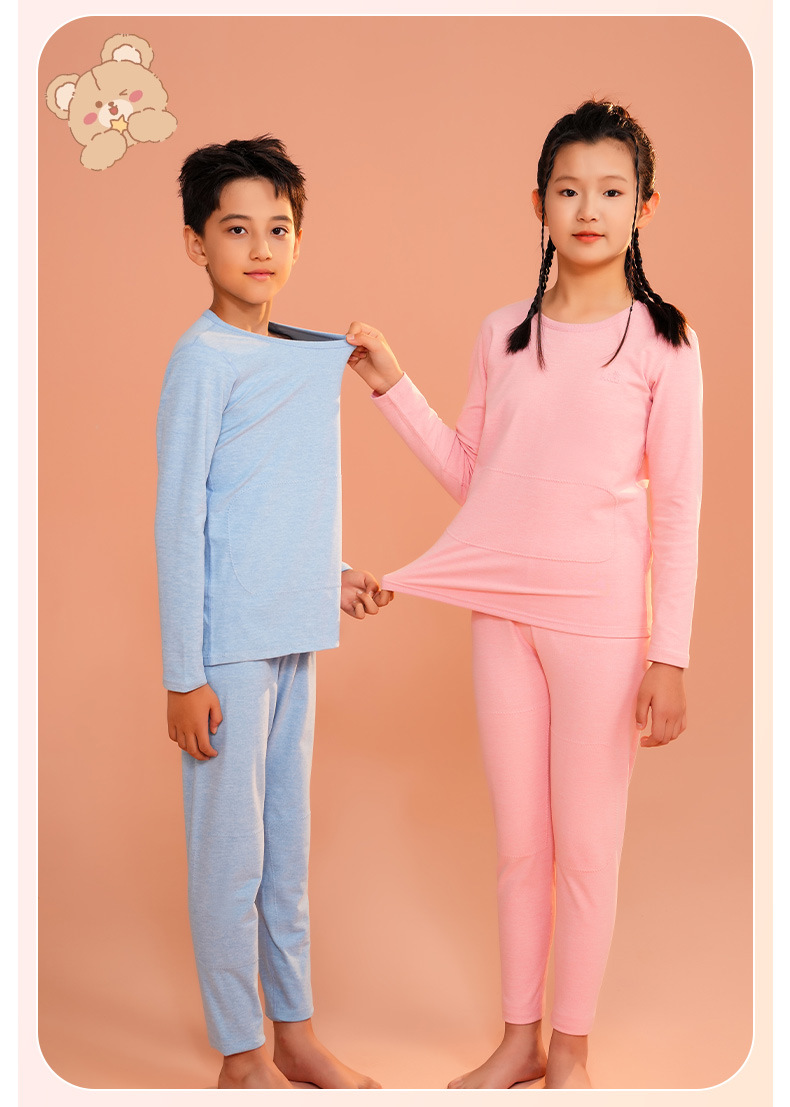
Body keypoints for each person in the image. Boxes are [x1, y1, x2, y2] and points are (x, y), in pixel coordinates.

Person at [345, 100, 702, 1090]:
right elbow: (477, 478)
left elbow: (678, 510)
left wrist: (668, 654)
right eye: (569, 190)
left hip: (602, 629)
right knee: (519, 847)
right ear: (538, 203)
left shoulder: (665, 343)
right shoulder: (502, 334)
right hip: (500, 618)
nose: (588, 209)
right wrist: (391, 385)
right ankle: (517, 1041)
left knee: (585, 850)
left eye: (611, 191)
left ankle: (571, 1052)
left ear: (644, 206)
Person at [154, 136, 390, 1090]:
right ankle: (241, 1050)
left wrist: (332, 575)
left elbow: (278, 500)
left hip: (294, 634)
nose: (260, 248)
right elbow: (182, 519)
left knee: (285, 848)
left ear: (298, 239)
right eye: (236, 229)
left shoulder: (294, 357)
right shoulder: (201, 361)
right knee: (231, 855)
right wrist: (184, 672)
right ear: (196, 244)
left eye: (278, 229)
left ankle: (295, 1033)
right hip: (227, 651)